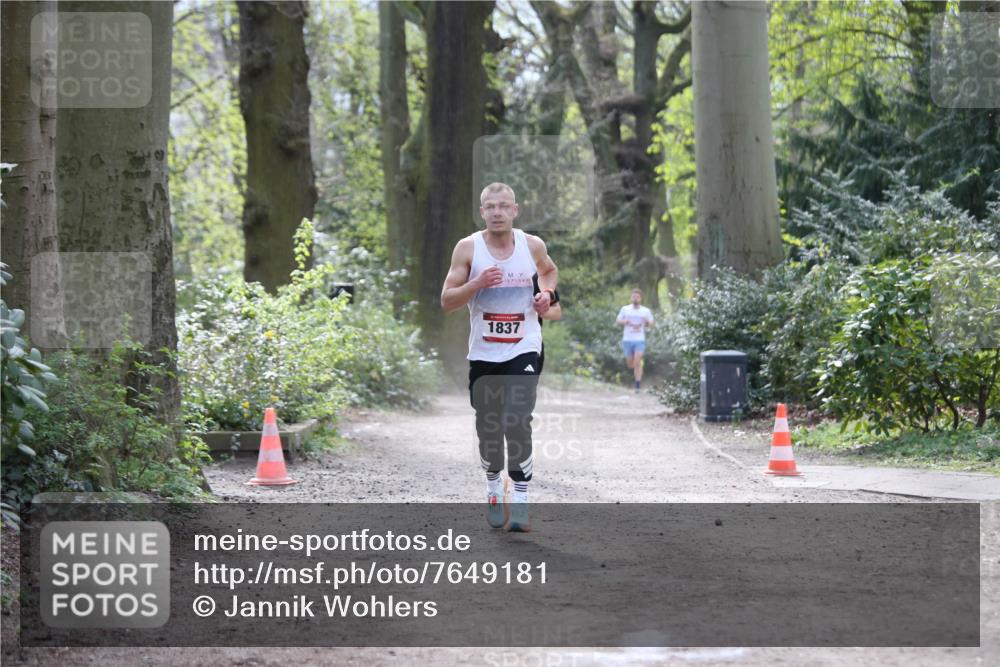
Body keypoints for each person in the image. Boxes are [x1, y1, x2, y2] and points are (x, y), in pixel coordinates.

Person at [441, 182, 558, 532]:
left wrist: (546, 295)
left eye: (503, 206)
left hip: (524, 348)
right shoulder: (468, 248)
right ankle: (494, 486)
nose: (497, 212)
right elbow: (447, 301)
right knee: (489, 427)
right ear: (482, 212)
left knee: (517, 420)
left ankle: (520, 499)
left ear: (515, 210)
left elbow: (548, 272)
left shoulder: (532, 245)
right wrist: (476, 284)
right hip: (484, 354)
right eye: (490, 206)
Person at [616, 288, 654, 392]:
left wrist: (646, 321)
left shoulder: (645, 311)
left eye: (637, 297)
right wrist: (625, 321)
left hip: (639, 339)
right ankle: (637, 366)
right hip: (627, 339)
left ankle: (637, 385)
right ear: (631, 298)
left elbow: (651, 323)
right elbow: (618, 320)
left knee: (637, 362)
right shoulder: (625, 309)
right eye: (633, 296)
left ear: (641, 298)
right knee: (630, 364)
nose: (635, 298)